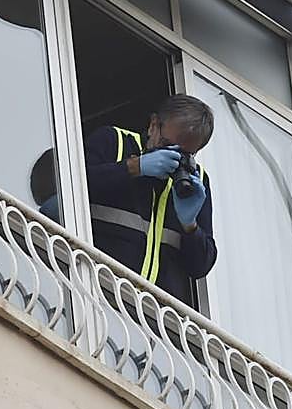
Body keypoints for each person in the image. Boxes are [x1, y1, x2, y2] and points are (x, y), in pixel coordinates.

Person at [84, 95, 216, 304]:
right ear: (153, 125)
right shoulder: (114, 142)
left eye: (184, 154)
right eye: (166, 145)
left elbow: (200, 266)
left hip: (153, 315)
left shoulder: (196, 180)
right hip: (95, 292)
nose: (173, 157)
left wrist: (190, 226)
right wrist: (134, 167)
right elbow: (68, 186)